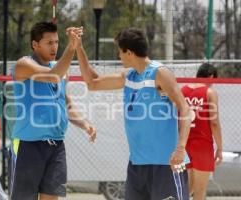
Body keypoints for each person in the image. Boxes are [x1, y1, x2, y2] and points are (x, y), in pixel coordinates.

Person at [77, 27, 192, 200]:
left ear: (129, 52)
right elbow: (92, 83)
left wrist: (181, 148)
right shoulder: (129, 76)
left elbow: (185, 109)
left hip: (167, 163)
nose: (119, 56)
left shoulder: (160, 73)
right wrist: (78, 46)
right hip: (137, 165)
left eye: (120, 52)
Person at [10, 22, 96, 200]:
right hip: (28, 144)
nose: (54, 47)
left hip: (56, 146)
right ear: (35, 44)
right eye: (49, 43)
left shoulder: (60, 69)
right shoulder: (24, 64)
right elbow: (52, 75)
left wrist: (84, 123)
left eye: (57, 42)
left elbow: (67, 105)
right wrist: (71, 47)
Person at [181, 63, 223, 200]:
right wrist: (220, 148)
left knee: (187, 189)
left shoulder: (183, 90)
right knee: (200, 192)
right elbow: (214, 122)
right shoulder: (209, 92)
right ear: (211, 77)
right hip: (202, 145)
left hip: (184, 143)